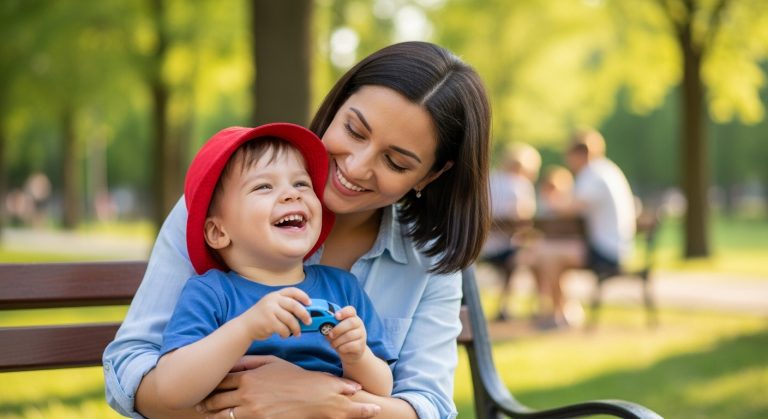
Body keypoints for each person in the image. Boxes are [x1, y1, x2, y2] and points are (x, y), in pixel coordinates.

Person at [103, 41, 491, 419]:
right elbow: (133, 370)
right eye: (354, 130)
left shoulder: (419, 261)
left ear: (431, 175)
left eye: (395, 162)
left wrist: (323, 402)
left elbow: (428, 405)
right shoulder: (220, 201)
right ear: (336, 106)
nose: (356, 167)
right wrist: (251, 405)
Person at [154, 124, 396, 411]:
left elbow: (384, 388)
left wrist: (357, 356)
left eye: (301, 183)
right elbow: (169, 391)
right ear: (219, 232)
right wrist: (245, 328)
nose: (292, 194)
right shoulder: (211, 293)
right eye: (264, 187)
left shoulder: (344, 288)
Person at [520, 129, 635, 329]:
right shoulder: (603, 171)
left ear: (580, 153)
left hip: (607, 250)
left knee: (548, 255)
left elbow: (570, 207)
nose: (567, 161)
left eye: (569, 155)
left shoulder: (595, 174)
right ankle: (564, 310)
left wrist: (549, 202)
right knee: (540, 253)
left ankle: (560, 315)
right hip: (610, 245)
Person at [480, 142, 540, 321]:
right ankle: (539, 305)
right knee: (537, 253)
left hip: (480, 248)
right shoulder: (521, 186)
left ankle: (506, 306)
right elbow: (525, 223)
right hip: (507, 250)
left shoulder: (488, 181)